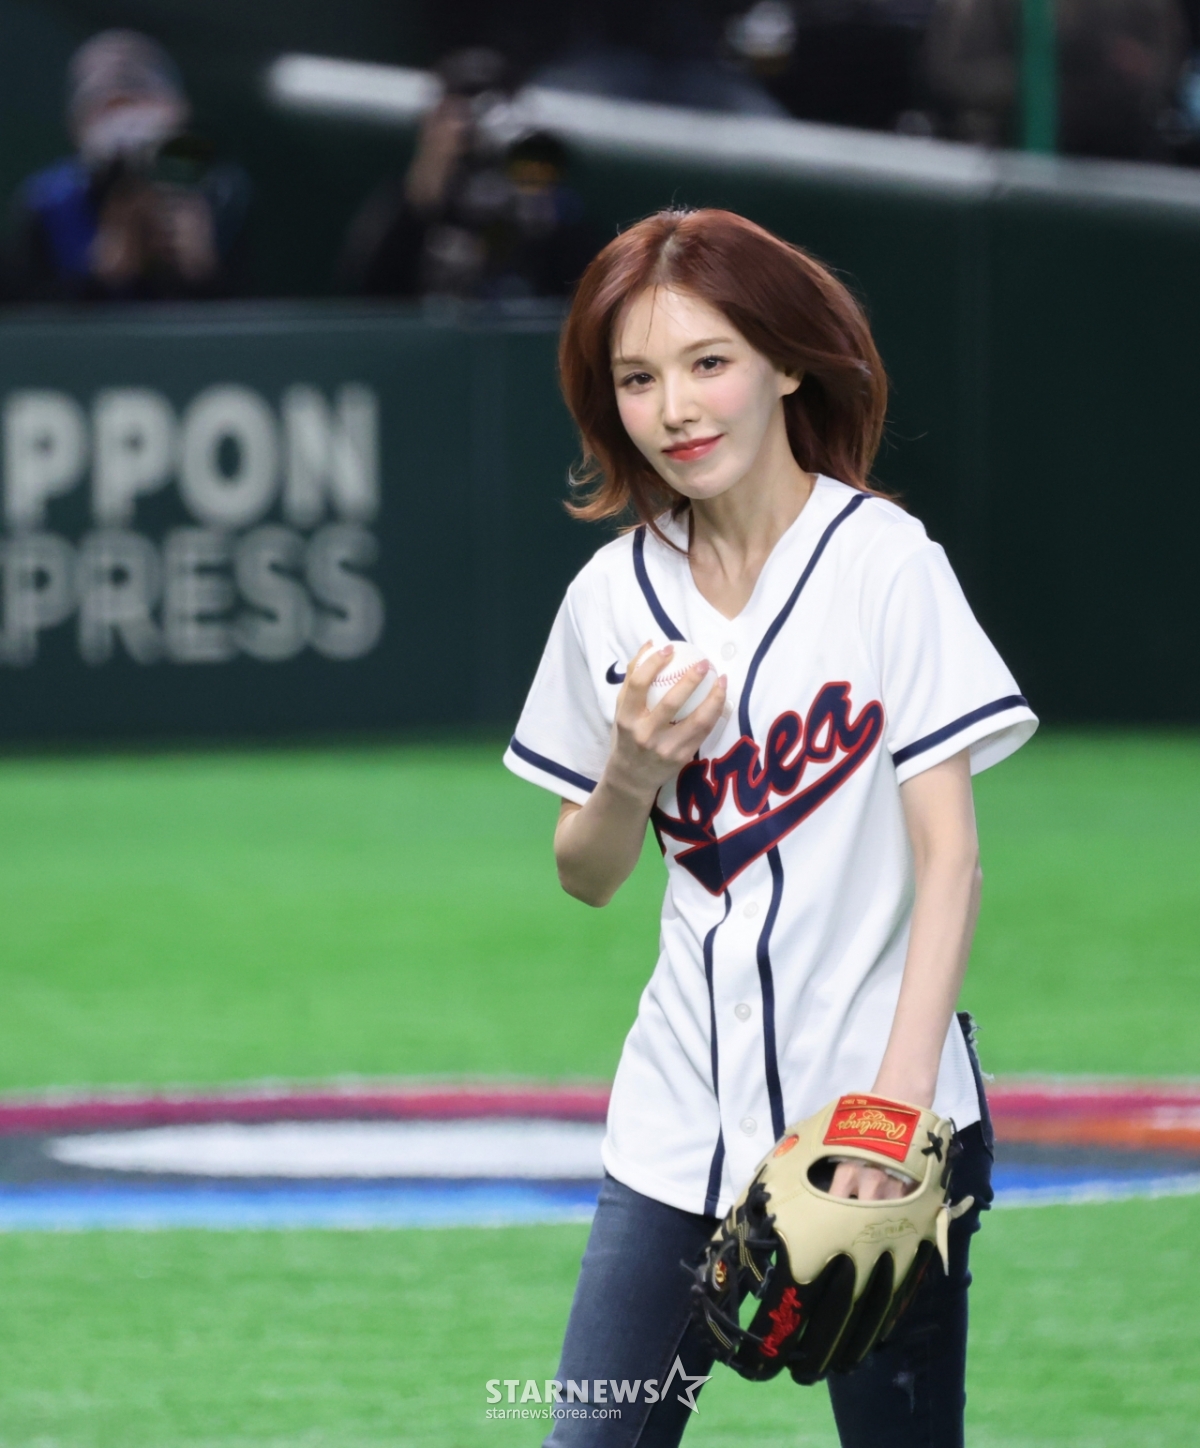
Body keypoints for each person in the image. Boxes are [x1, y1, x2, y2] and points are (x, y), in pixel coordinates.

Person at [503, 209, 1037, 1446]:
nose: (675, 407)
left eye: (709, 361)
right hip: (676, 1120)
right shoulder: (611, 596)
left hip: (877, 1110)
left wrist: (893, 1119)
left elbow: (950, 859)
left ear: (787, 362)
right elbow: (586, 872)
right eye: (637, 377)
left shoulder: (883, 563)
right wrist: (631, 770)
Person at [5, 29, 250, 303]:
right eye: (108, 108)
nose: (128, 125)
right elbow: (23, 311)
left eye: (140, 99)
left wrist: (203, 270)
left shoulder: (222, 195)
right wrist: (98, 278)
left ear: (179, 112)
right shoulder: (48, 202)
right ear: (77, 126)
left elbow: (260, 307)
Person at [338, 48, 596, 302]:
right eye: (457, 114)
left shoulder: (546, 207)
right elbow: (362, 298)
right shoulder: (404, 204)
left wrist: (539, 199)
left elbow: (585, 293)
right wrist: (421, 198)